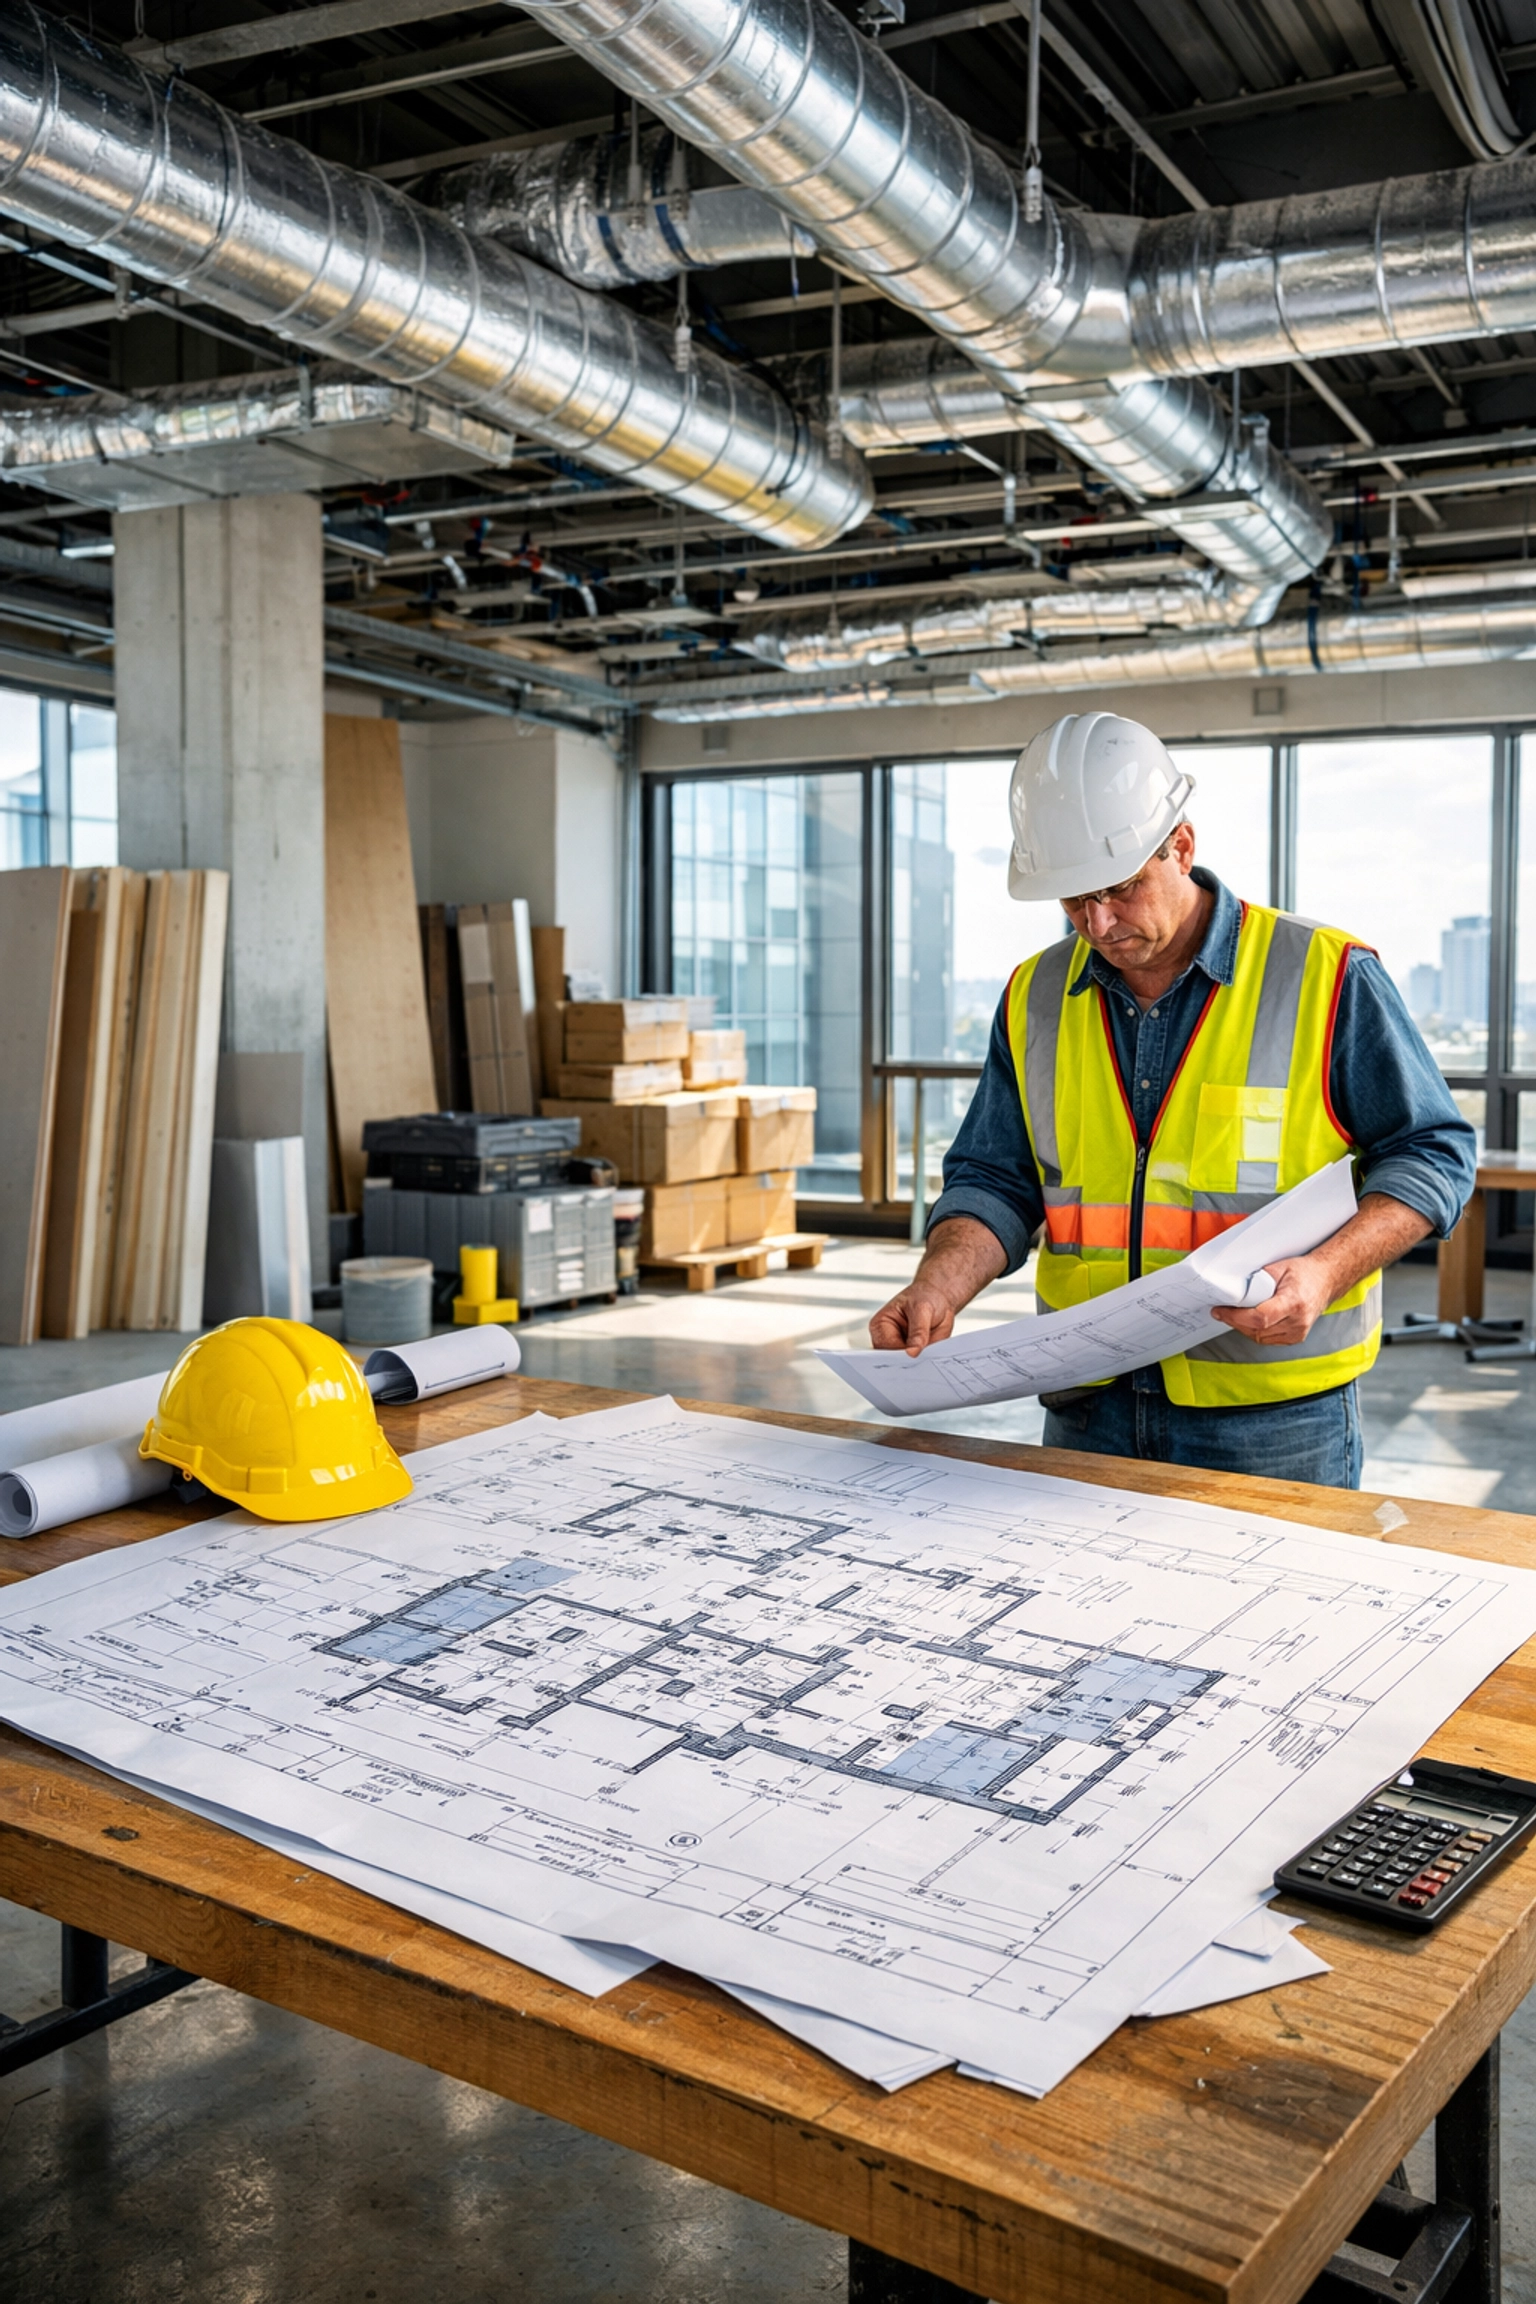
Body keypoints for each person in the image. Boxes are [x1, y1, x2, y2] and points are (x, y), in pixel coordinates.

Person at [870, 712, 1476, 1489]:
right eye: (1073, 900)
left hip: (1271, 1413)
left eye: (1119, 890)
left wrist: (1324, 1272)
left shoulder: (1325, 974)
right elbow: (995, 1176)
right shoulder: (1035, 995)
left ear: (1180, 848)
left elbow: (1433, 1152)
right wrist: (938, 1284)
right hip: (1087, 1403)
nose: (1098, 923)